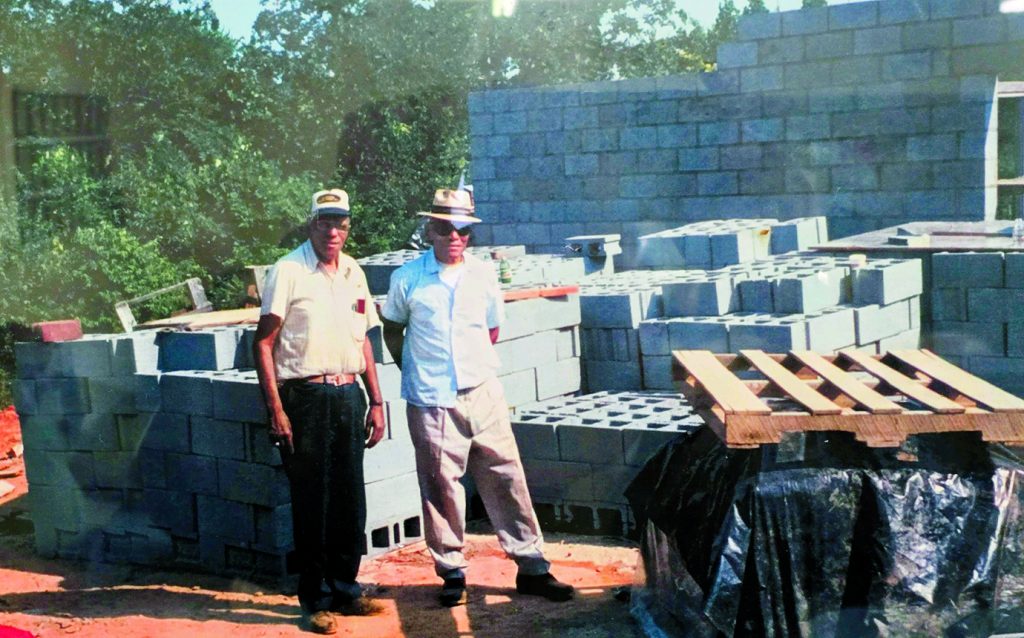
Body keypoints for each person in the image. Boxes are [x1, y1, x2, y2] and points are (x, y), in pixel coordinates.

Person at [381, 188, 574, 607]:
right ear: (430, 230)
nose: (455, 237)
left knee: (506, 475)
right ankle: (451, 570)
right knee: (440, 486)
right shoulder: (408, 279)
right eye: (445, 228)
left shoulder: (483, 275)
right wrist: (414, 370)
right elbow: (392, 330)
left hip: (482, 391)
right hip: (431, 399)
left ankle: (532, 565)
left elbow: (491, 331)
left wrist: (472, 368)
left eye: (463, 230)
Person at [253, 188, 386, 635]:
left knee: (350, 498)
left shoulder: (354, 272)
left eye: (341, 223)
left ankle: (346, 589)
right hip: (305, 400)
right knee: (314, 500)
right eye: (325, 222)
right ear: (310, 224)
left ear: (348, 227)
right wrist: (276, 409)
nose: (333, 231)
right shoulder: (288, 270)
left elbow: (364, 339)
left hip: (349, 396)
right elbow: (264, 343)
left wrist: (378, 400)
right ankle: (314, 600)